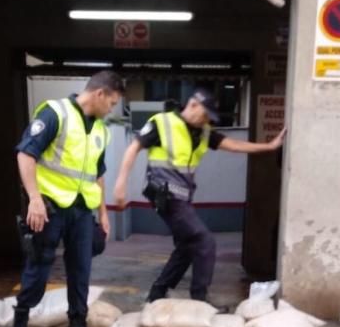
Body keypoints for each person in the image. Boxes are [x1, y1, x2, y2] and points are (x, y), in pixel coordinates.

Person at [113, 87, 285, 306]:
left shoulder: (202, 132)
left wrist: (269, 146)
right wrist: (121, 184)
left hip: (182, 200)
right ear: (193, 105)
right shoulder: (162, 123)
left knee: (187, 245)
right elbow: (133, 148)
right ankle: (199, 300)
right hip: (164, 195)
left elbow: (234, 145)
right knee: (205, 241)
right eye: (204, 115)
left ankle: (157, 292)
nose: (205, 121)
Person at [7, 70, 125, 327]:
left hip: (83, 210)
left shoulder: (100, 130)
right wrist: (34, 198)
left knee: (81, 270)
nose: (111, 111)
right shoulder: (55, 113)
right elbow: (25, 154)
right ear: (100, 94)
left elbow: (98, 174)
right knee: (39, 266)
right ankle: (20, 323)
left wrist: (104, 214)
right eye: (111, 104)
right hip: (50, 208)